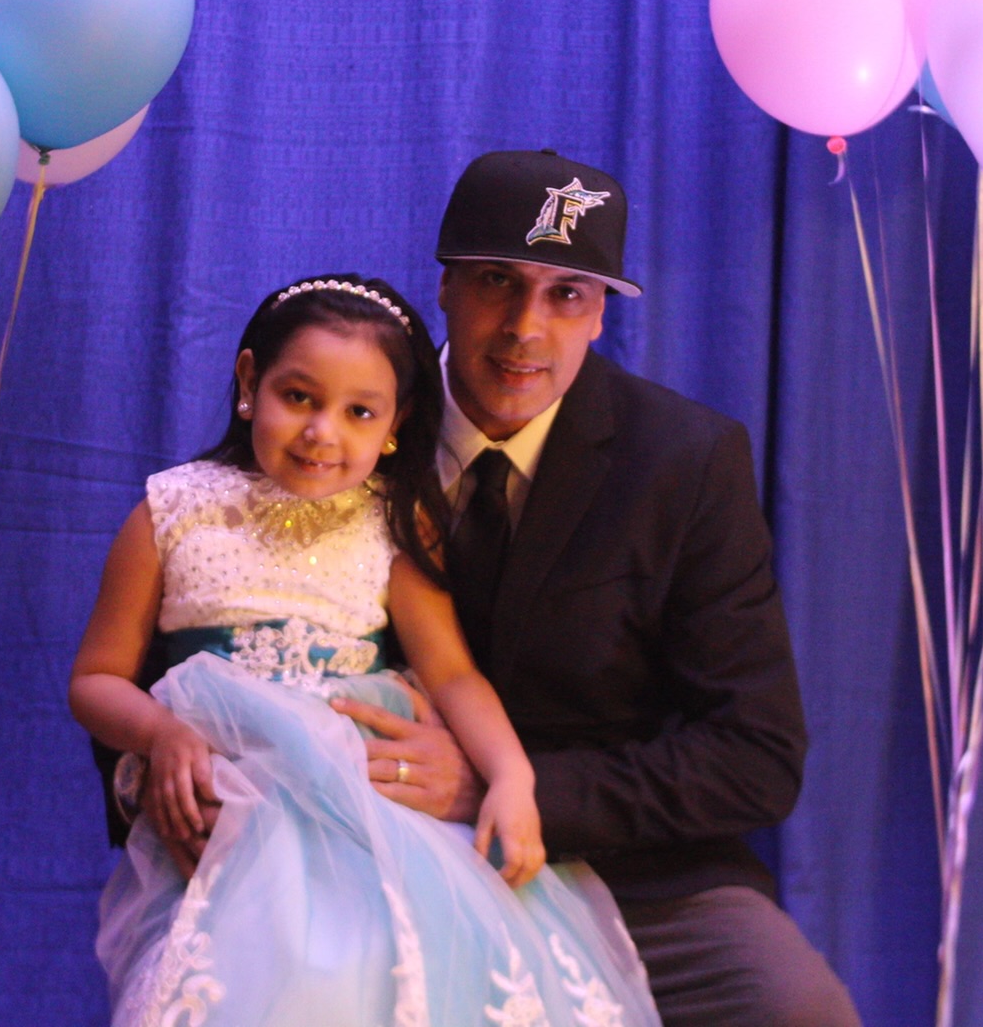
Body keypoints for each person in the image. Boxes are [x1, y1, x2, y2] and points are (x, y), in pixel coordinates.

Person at [324, 150, 860, 1027]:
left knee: (797, 1009)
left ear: (601, 312)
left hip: (621, 867)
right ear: (446, 285)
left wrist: (513, 786)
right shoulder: (342, 419)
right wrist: (154, 777)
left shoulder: (685, 461)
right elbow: (212, 610)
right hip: (374, 843)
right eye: (497, 281)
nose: (525, 327)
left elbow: (755, 757)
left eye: (566, 294)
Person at [70, 272, 660, 1026]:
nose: (323, 432)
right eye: (299, 397)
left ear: (395, 422)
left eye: (359, 412)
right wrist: (159, 733)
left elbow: (453, 676)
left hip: (371, 812)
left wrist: (512, 777)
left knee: (392, 972)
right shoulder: (172, 511)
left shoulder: (395, 523)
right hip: (235, 802)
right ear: (249, 382)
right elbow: (96, 678)